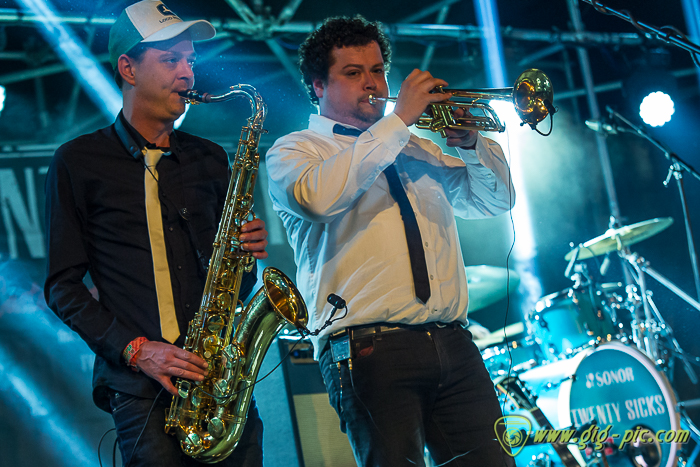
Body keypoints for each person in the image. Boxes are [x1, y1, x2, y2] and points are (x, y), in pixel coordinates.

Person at [266, 15, 517, 467]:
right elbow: (318, 199)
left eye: (378, 70)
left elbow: (494, 200)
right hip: (368, 349)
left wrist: (471, 143)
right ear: (318, 86)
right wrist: (398, 121)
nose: (371, 83)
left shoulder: (413, 146)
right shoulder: (294, 150)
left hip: (453, 343)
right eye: (353, 72)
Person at [44, 1, 268, 465]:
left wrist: (245, 254)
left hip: (219, 385)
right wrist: (135, 350)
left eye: (190, 60)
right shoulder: (78, 162)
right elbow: (62, 287)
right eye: (171, 60)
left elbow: (234, 284)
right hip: (141, 389)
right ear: (128, 68)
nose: (187, 73)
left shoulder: (210, 158)